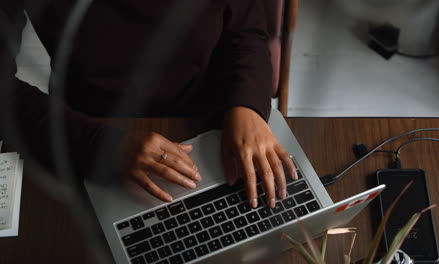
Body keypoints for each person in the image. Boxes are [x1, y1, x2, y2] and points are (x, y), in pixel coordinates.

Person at [0, 0, 297, 209]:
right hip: (85, 125)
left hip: (209, 121)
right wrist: (100, 145)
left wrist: (247, 106)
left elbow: (245, 31)